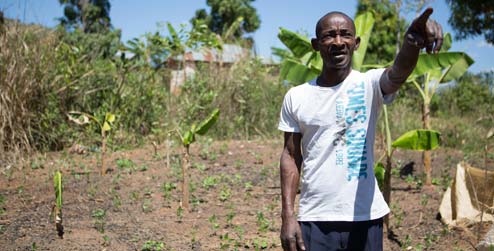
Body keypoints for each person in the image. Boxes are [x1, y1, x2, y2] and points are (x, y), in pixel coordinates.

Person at [278, 8, 443, 251]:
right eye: (329, 36)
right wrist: (288, 216)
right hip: (316, 217)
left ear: (356, 43)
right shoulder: (297, 96)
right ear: (315, 44)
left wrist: (411, 44)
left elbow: (397, 74)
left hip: (365, 217)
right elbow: (291, 156)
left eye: (345, 35)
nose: (338, 42)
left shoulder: (369, 84)